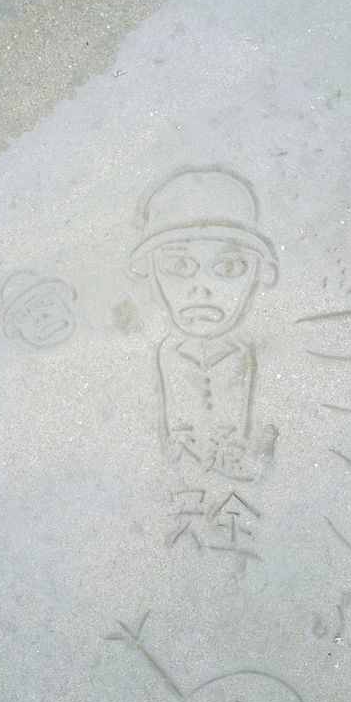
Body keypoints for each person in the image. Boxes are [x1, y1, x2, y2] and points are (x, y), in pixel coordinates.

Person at [129, 166, 278, 479]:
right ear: (149, 270)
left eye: (229, 267)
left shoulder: (243, 352)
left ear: (260, 272)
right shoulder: (168, 353)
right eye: (179, 264)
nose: (201, 288)